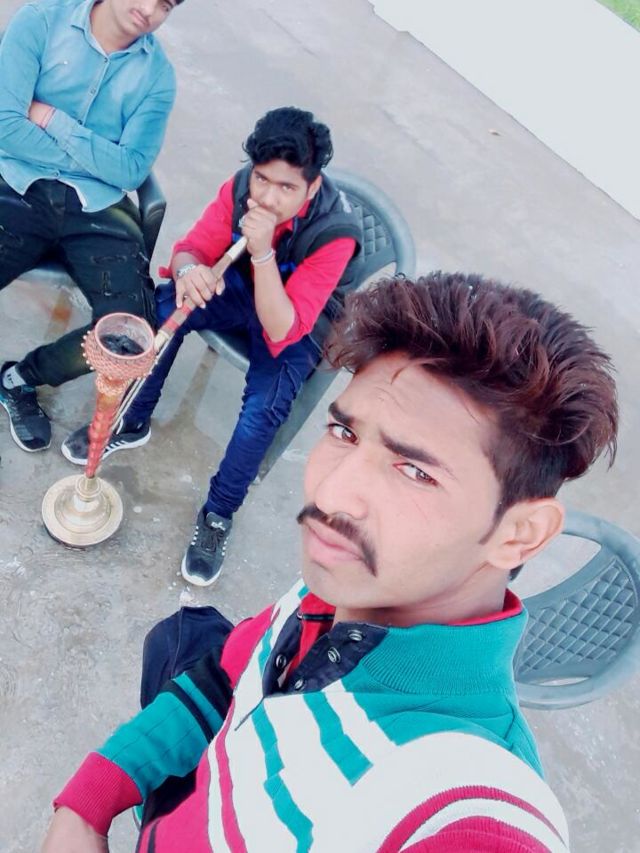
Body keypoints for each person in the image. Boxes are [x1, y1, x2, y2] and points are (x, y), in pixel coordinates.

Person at [42, 273, 617, 852]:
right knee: (182, 638)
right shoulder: (341, 589)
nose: (332, 494)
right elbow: (223, 681)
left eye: (415, 471)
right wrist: (88, 803)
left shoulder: (465, 798)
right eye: (344, 432)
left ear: (519, 535)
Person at [61, 106, 363, 587]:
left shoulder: (335, 234)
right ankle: (132, 420)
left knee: (264, 409)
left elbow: (281, 326)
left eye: (286, 188)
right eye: (262, 179)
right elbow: (190, 249)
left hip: (299, 320)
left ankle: (219, 512)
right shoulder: (241, 187)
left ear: (312, 187)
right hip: (241, 285)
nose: (267, 197)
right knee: (162, 310)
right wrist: (189, 273)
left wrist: (262, 251)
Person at [0, 0, 182, 453]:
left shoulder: (157, 77)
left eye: (165, 5)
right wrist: (99, 158)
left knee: (131, 334)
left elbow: (132, 170)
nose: (149, 10)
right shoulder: (41, 21)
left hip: (96, 207)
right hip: (17, 182)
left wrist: (52, 120)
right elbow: (5, 126)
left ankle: (21, 379)